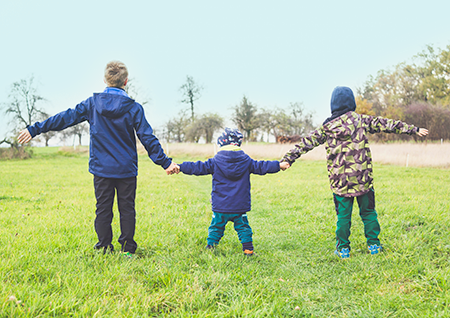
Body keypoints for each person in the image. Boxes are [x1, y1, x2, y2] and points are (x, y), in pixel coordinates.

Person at [17, 61, 179, 258]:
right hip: (126, 169)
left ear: (104, 80)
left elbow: (64, 118)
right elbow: (147, 138)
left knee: (103, 209)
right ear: (126, 81)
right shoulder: (134, 108)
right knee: (127, 209)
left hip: (102, 169)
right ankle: (127, 249)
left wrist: (34, 129)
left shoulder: (92, 104)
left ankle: (103, 247)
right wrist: (165, 162)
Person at [281, 86, 429, 259]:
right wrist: (413, 129)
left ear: (333, 105)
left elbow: (306, 143)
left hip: (340, 183)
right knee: (368, 213)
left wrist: (288, 159)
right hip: (363, 179)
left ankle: (343, 249)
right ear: (352, 103)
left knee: (343, 216)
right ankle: (374, 245)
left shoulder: (327, 127)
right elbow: (386, 124)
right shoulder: (360, 120)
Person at [175, 128, 289, 256]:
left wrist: (180, 167)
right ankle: (248, 250)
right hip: (239, 206)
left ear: (222, 143)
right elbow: (262, 166)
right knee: (243, 228)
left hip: (220, 206)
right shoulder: (246, 161)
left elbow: (197, 167)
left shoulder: (215, 161)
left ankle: (210, 247)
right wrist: (278, 165)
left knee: (216, 227)